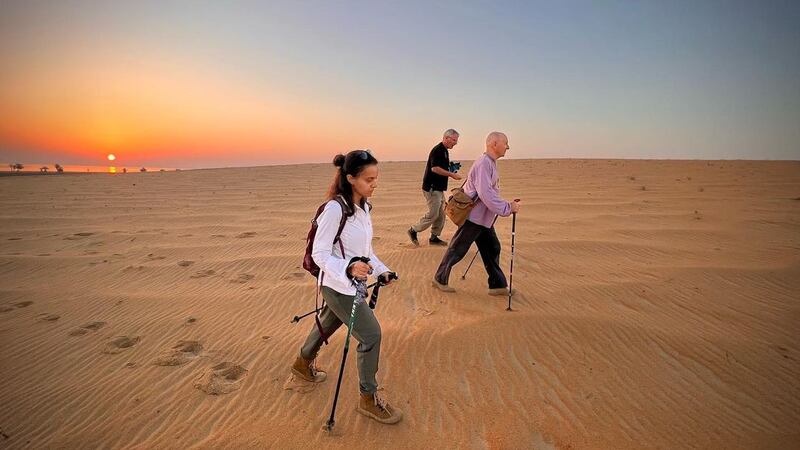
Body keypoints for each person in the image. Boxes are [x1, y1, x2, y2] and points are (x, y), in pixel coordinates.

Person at [291, 150, 403, 425]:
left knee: (329, 321)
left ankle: (302, 364)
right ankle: (368, 398)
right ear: (351, 178)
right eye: (369, 179)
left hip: (353, 284)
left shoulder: (363, 208)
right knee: (371, 335)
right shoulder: (334, 209)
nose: (374, 183)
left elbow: (366, 251)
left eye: (376, 178)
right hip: (338, 285)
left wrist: (382, 270)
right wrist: (349, 268)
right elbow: (320, 253)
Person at [432, 132, 521, 295]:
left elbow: (489, 194)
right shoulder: (483, 164)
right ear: (494, 144)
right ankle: (439, 278)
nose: (508, 147)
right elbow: (486, 194)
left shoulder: (490, 163)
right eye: (505, 143)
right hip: (473, 217)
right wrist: (508, 208)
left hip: (483, 218)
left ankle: (497, 285)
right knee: (457, 249)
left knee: (492, 248)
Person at [407, 129, 462, 246]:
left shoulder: (445, 151)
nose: (455, 143)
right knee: (433, 214)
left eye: (456, 140)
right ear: (446, 138)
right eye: (454, 140)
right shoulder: (437, 150)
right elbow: (435, 168)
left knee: (441, 214)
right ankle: (413, 230)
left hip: (439, 188)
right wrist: (452, 174)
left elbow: (441, 167)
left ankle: (434, 238)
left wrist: (451, 167)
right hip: (432, 188)